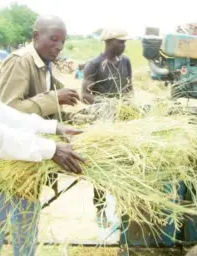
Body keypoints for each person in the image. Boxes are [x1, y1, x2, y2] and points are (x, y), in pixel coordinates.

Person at [0, 15, 84, 256]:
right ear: (36, 36)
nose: (59, 46)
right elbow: (8, 110)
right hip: (4, 165)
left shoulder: (45, 64)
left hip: (29, 161)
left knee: (26, 234)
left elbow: (46, 111)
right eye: (54, 39)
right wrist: (53, 99)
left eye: (63, 42)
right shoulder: (21, 62)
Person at [81, 28, 133, 229]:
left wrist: (129, 107)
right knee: (101, 170)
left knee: (125, 167)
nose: (124, 45)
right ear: (109, 42)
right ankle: (100, 210)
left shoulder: (125, 62)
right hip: (102, 124)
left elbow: (129, 88)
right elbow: (85, 94)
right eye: (121, 42)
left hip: (122, 123)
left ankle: (124, 211)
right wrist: (108, 104)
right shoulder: (94, 65)